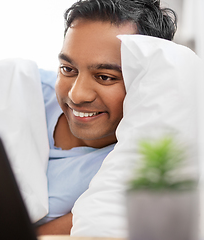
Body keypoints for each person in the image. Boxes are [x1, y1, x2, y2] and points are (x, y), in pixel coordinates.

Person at [36, 0, 177, 235]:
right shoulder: (28, 92)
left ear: (148, 81)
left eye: (105, 77)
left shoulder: (134, 168)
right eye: (68, 69)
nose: (76, 94)